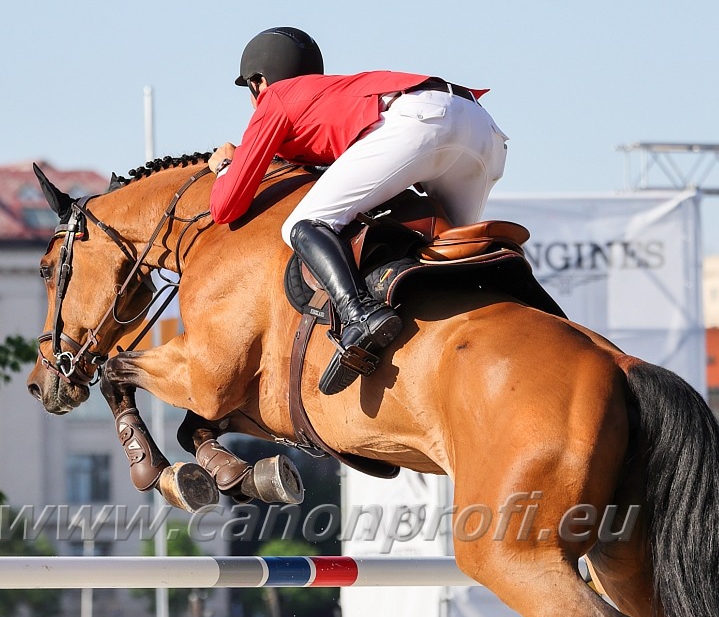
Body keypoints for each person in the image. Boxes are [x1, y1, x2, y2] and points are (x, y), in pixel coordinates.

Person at [208, 26, 508, 396]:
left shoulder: (277, 97)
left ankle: (359, 314)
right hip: (483, 129)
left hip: (422, 121)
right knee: (458, 257)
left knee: (303, 224)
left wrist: (224, 165)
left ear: (259, 82)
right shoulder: (327, 95)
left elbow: (226, 206)